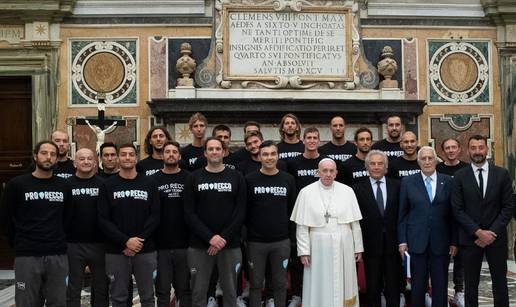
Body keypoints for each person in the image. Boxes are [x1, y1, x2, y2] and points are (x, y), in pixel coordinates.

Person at [1, 140, 71, 306]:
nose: (48, 157)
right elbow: (6, 219)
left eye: (53, 154)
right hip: (27, 255)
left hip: (57, 255)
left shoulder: (64, 186)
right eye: (44, 153)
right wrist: (17, 243)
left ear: (56, 159)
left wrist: (59, 237)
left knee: (59, 302)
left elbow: (68, 218)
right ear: (35, 156)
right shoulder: (17, 185)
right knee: (26, 302)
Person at [451, 135, 514, 307]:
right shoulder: (459, 176)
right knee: (470, 285)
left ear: (487, 149)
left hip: (496, 239)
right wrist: (478, 232)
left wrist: (491, 233)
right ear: (467, 150)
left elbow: (508, 207)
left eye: (481, 147)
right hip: (471, 240)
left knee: (500, 284)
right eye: (473, 147)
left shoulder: (502, 174)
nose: (477, 151)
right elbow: (457, 209)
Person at [290, 158, 363, 307]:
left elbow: (355, 223)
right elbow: (302, 227)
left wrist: (358, 247)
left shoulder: (347, 191)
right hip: (318, 245)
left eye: (331, 171)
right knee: (319, 282)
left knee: (346, 282)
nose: (328, 174)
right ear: (318, 172)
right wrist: (303, 251)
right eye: (324, 171)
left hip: (345, 243)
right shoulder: (306, 193)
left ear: (336, 173)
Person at [184, 137, 246, 307]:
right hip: (199, 245)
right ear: (205, 153)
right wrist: (210, 238)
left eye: (217, 149)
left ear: (224, 152)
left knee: (231, 292)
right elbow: (189, 213)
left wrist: (222, 238)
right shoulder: (193, 178)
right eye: (210, 149)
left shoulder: (237, 177)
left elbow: (240, 212)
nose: (214, 152)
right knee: (198, 293)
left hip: (230, 244)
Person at [98, 143, 160, 307]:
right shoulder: (107, 185)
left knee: (147, 296)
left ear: (136, 158)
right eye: (123, 154)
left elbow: (155, 215)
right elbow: (103, 219)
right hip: (116, 250)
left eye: (131, 154)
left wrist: (139, 241)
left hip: (145, 249)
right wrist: (125, 241)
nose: (127, 157)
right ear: (118, 158)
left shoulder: (149, 183)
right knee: (118, 297)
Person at [398, 146, 457, 307]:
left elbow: (453, 215)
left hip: (441, 242)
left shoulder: (449, 181)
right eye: (423, 158)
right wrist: (402, 241)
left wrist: (454, 241)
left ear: (436, 160)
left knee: (440, 284)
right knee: (417, 286)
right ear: (418, 162)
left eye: (430, 158)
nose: (427, 161)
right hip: (417, 241)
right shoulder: (408, 182)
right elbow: (402, 214)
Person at [245, 141, 297, 307]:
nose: (269, 158)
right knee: (255, 284)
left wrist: (291, 238)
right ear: (259, 156)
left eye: (273, 154)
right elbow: (244, 211)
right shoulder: (249, 179)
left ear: (278, 156)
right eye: (265, 154)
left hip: (281, 242)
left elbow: (292, 211)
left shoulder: (288, 179)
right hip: (255, 243)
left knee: (280, 284)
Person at [352, 150, 401, 307]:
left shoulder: (398, 186)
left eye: (380, 164)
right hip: (370, 245)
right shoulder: (357, 189)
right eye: (372, 164)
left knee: (394, 287)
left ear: (386, 167)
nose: (376, 167)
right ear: (367, 167)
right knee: (372, 287)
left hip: (394, 245)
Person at [285, 126, 326, 307]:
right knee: (298, 257)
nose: (311, 140)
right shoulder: (294, 163)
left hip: (321, 218)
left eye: (314, 137)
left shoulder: (325, 163)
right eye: (308, 137)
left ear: (319, 140)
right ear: (303, 140)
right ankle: (296, 293)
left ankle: (320, 292)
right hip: (301, 216)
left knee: (319, 257)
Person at [66, 148, 108, 307]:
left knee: (101, 288)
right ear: (75, 163)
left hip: (100, 244)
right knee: (72, 289)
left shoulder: (104, 184)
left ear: (95, 163)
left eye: (89, 158)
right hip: (72, 244)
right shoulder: (66, 185)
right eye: (81, 159)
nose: (85, 162)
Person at [153, 141, 192, 307]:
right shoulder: (153, 180)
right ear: (162, 156)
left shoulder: (189, 178)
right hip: (160, 245)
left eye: (174, 152)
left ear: (179, 156)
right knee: (162, 291)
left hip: (185, 244)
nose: (170, 154)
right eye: (167, 152)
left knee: (184, 290)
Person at [435, 137, 468, 307]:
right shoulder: (437, 169)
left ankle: (459, 292)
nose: (450, 150)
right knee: (441, 260)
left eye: (453, 147)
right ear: (442, 151)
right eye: (447, 148)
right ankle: (441, 293)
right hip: (442, 221)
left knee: (461, 260)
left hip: (462, 222)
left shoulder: (466, 169)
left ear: (459, 149)